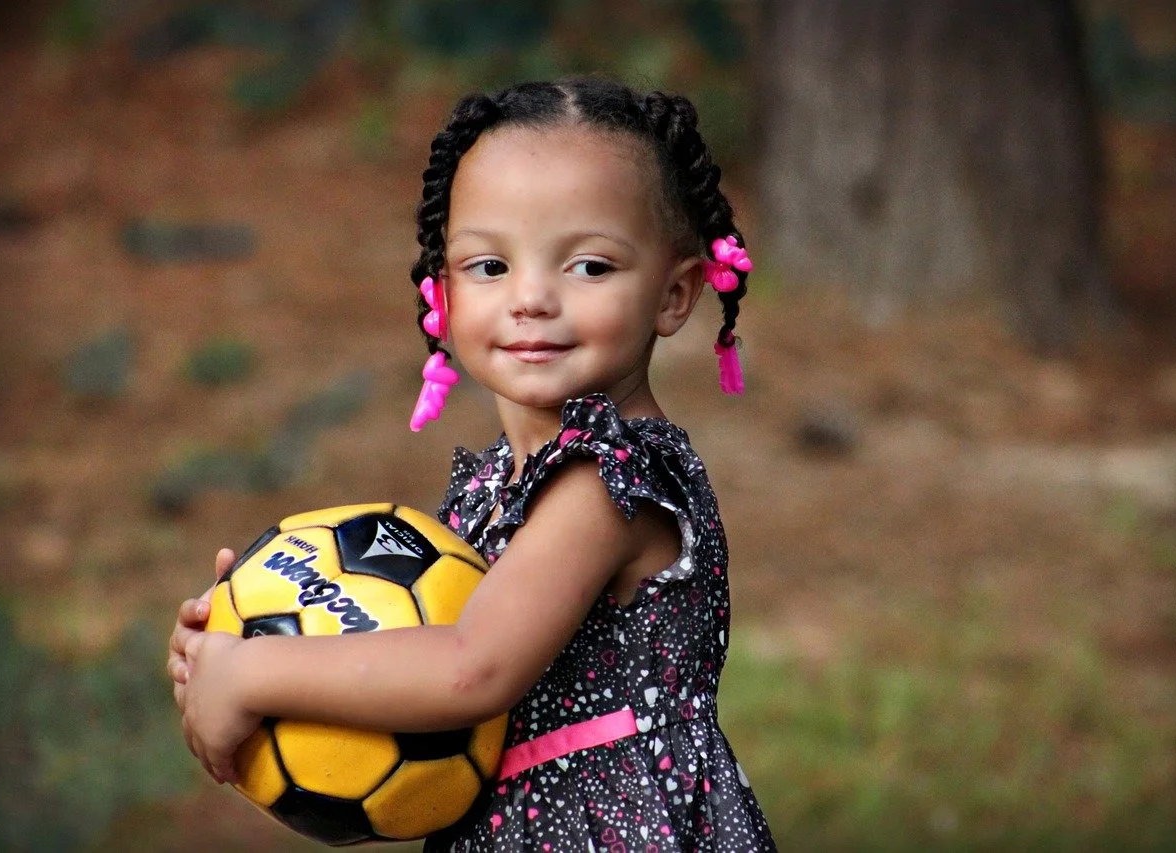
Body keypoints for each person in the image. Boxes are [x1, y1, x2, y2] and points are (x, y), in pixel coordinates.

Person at [167, 76, 775, 852]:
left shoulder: (609, 482)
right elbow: (415, 674)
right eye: (489, 266)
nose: (531, 298)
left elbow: (469, 669)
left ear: (675, 293)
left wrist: (254, 673)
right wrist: (236, 637)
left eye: (588, 267)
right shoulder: (501, 485)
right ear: (441, 290)